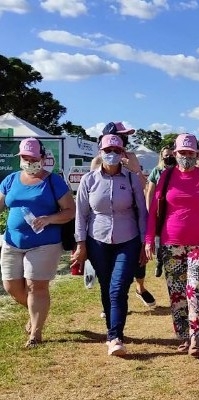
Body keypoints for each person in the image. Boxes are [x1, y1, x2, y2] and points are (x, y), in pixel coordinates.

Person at [144, 133, 199, 358]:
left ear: (197, 154)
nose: (186, 157)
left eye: (190, 153)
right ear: (175, 154)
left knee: (194, 289)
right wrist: (150, 239)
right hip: (171, 244)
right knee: (177, 293)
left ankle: (196, 337)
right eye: (182, 153)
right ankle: (183, 336)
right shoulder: (166, 177)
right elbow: (155, 212)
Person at [72, 134, 148, 356]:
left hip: (128, 239)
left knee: (118, 288)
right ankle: (111, 331)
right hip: (98, 240)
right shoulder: (89, 180)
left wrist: (144, 242)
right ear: (100, 152)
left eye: (116, 150)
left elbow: (142, 212)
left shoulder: (132, 178)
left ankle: (115, 337)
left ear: (123, 153)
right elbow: (81, 214)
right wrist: (81, 244)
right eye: (108, 150)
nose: (112, 154)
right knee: (106, 287)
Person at [0, 138, 75, 348]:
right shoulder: (11, 179)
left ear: (42, 158)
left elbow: (70, 211)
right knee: (11, 287)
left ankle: (36, 333)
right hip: (12, 242)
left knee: (36, 287)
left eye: (33, 158)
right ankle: (35, 314)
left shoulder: (53, 181)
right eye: (25, 157)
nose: (29, 161)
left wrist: (49, 219)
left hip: (45, 243)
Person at [92, 121, 156, 308]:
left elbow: (145, 186)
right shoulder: (98, 160)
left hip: (134, 213)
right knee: (109, 264)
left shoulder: (131, 157)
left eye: (124, 138)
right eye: (121, 136)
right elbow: (94, 189)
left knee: (137, 256)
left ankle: (140, 287)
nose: (123, 140)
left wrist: (134, 169)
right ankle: (114, 299)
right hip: (107, 219)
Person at [146, 145, 176, 277]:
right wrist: (149, 210)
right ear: (162, 156)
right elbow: (150, 192)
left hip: (174, 208)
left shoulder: (179, 170)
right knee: (159, 237)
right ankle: (159, 262)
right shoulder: (156, 171)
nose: (169, 157)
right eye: (166, 155)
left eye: (171, 155)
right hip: (160, 207)